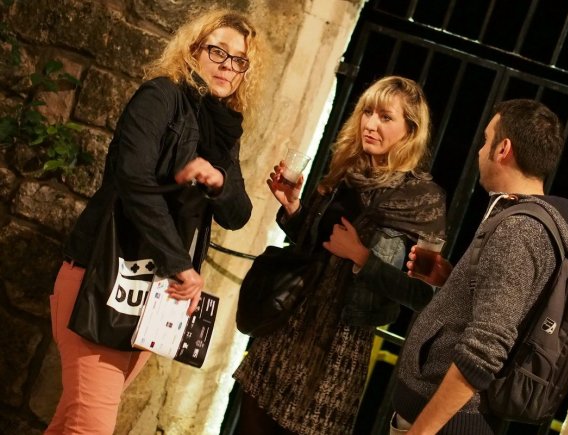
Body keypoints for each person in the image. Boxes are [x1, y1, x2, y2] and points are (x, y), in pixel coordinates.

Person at [330, 99, 568, 434]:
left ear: (503, 149)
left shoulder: (520, 230)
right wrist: (450, 282)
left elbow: (485, 348)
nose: (480, 150)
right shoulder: (522, 219)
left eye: (486, 140)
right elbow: (505, 310)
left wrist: (421, 431)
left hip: (445, 425)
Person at [46, 10, 258, 434]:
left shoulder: (221, 131)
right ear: (193, 50)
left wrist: (218, 182)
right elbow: (133, 180)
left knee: (73, 420)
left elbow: (238, 214)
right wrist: (180, 264)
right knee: (91, 425)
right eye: (217, 51)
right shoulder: (161, 96)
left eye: (239, 60)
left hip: (153, 297)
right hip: (103, 278)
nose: (227, 66)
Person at [233, 76, 447, 435]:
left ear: (410, 130)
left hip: (342, 347)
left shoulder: (423, 200)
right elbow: (313, 246)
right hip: (290, 325)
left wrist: (362, 258)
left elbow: (422, 294)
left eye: (385, 117)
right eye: (368, 112)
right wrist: (294, 207)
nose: (371, 124)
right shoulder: (346, 171)